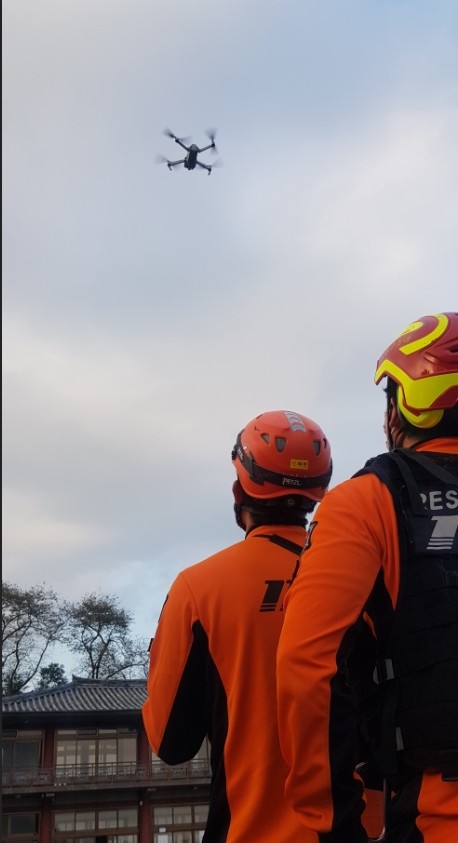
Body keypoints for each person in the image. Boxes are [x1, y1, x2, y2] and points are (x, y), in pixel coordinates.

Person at [276, 312, 458, 843]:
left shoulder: (366, 501)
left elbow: (305, 665)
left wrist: (331, 822)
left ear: (403, 405)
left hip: (437, 814)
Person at [142, 410, 332, 842]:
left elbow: (171, 743)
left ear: (238, 491)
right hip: (360, 826)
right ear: (316, 495)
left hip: (246, 829)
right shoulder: (358, 574)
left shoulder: (198, 588)